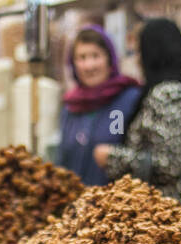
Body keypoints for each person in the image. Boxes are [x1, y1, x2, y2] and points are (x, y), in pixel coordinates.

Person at [93, 18, 181, 228]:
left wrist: (112, 157)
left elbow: (169, 163)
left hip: (178, 211)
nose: (137, 60)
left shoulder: (168, 93)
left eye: (139, 52)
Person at [57, 26, 142, 186]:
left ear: (110, 59)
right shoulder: (70, 106)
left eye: (96, 56)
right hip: (76, 206)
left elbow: (142, 157)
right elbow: (62, 161)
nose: (89, 65)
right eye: (81, 58)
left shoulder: (128, 99)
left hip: (116, 206)